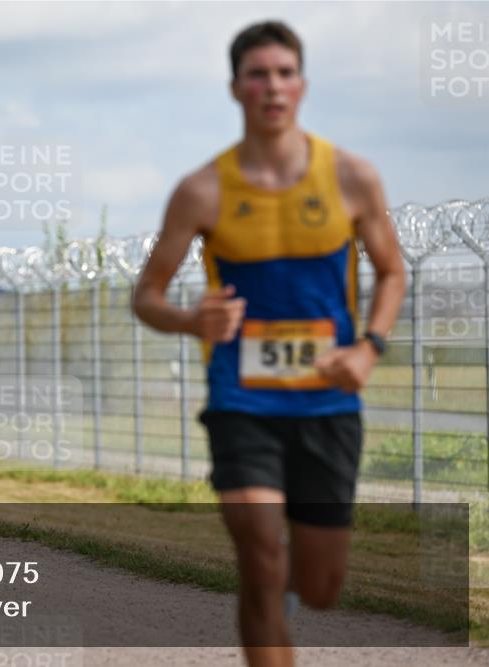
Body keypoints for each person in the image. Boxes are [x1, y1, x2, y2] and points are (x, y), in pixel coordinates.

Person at [131, 21, 406, 667]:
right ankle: (266, 593)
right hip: (241, 397)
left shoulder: (352, 177)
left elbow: (393, 270)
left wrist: (369, 347)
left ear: (302, 85)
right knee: (258, 550)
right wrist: (190, 319)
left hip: (326, 402)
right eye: (258, 73)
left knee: (321, 585)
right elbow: (147, 295)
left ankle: (284, 592)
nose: (272, 86)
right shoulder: (202, 190)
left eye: (284, 72)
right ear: (236, 87)